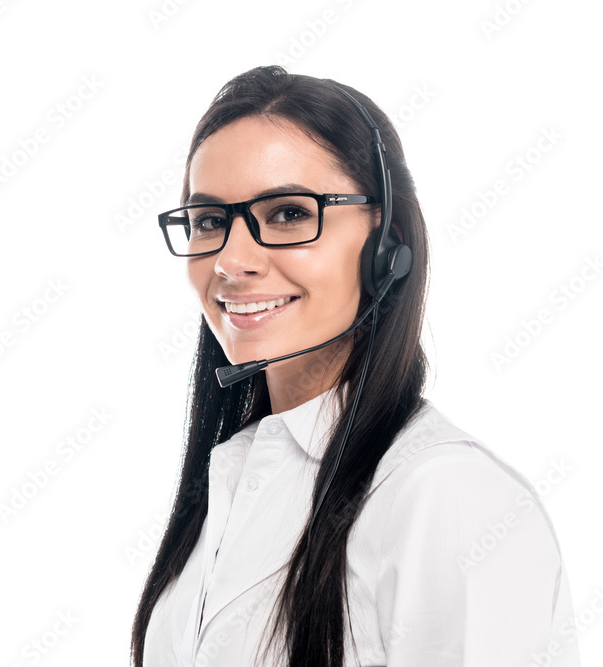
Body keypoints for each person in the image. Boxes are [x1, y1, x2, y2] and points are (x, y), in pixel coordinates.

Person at [130, 66, 579, 667]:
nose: (232, 261)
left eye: (288, 213)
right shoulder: (236, 475)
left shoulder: (446, 497)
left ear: (386, 245)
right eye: (210, 221)